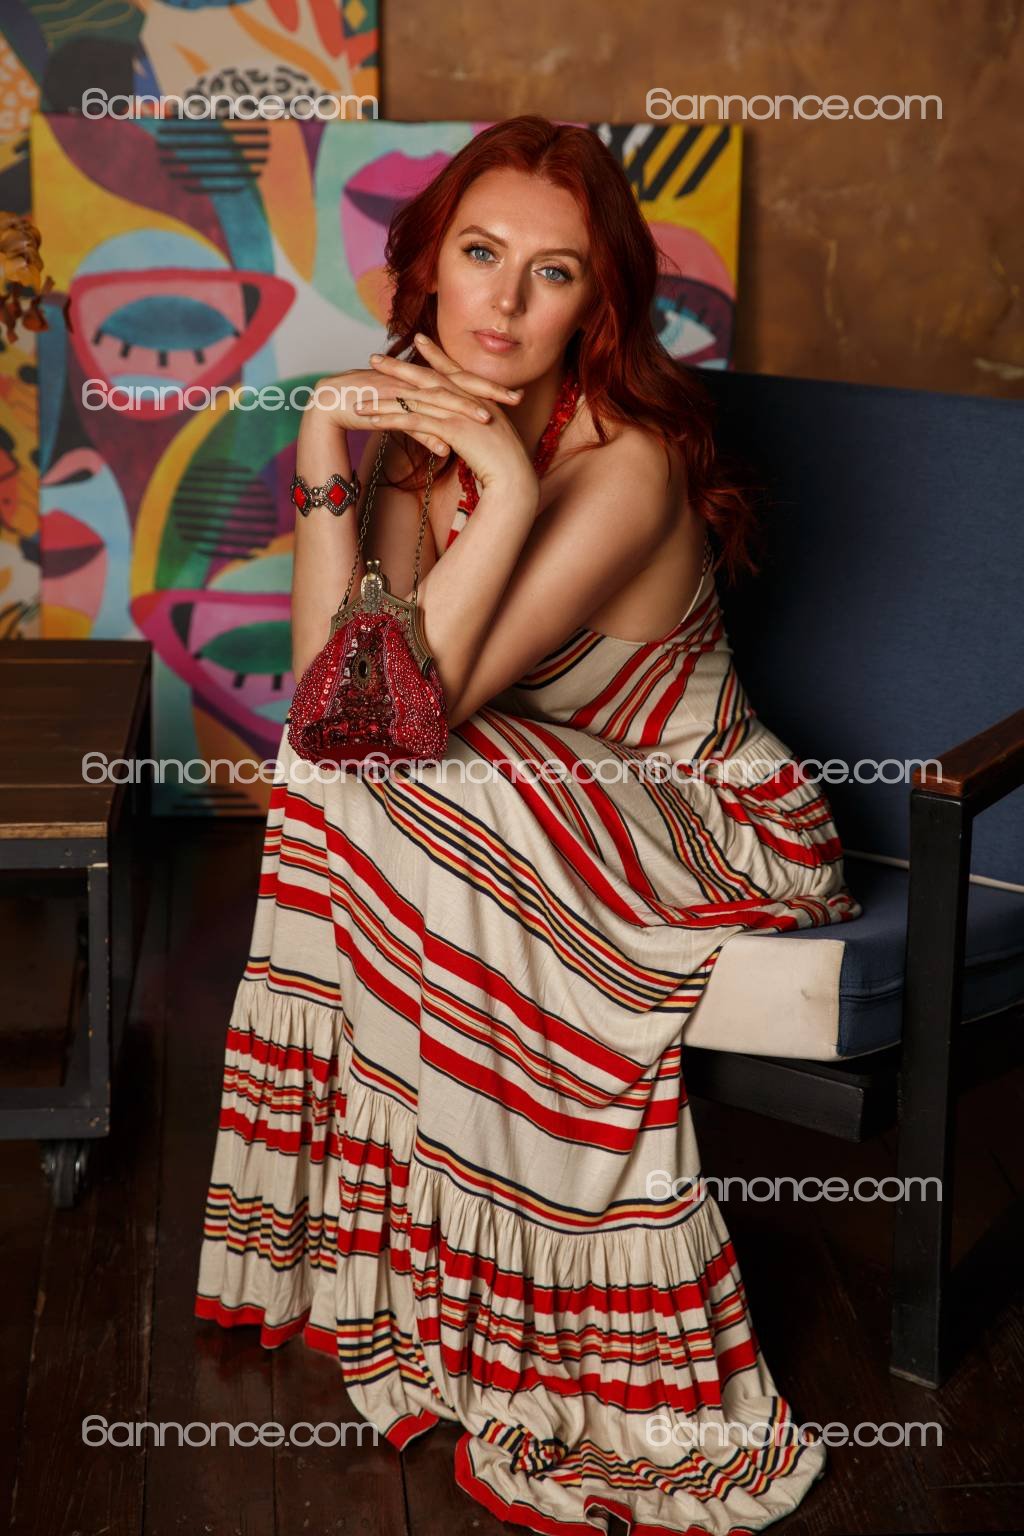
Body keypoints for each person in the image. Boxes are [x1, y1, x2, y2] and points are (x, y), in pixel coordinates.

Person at [195, 114, 862, 1535]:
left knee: (413, 771)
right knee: (361, 768)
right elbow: (332, 705)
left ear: (596, 304)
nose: (501, 303)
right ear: (428, 267)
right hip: (523, 785)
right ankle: (404, 1277)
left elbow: (401, 714)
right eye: (480, 255)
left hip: (711, 816)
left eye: (551, 273)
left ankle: (569, 1334)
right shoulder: (416, 436)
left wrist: (497, 485)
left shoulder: (627, 464)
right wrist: (323, 443)